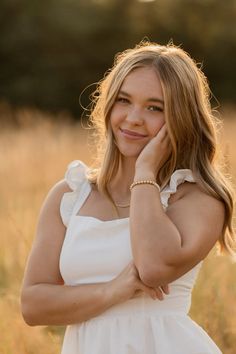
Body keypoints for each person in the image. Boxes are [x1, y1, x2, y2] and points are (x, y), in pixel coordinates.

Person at [21, 41, 235, 354]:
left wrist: (145, 171)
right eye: (124, 100)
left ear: (181, 117)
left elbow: (152, 268)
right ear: (108, 105)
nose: (133, 118)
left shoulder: (197, 197)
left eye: (155, 107)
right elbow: (33, 305)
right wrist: (114, 290)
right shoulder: (69, 196)